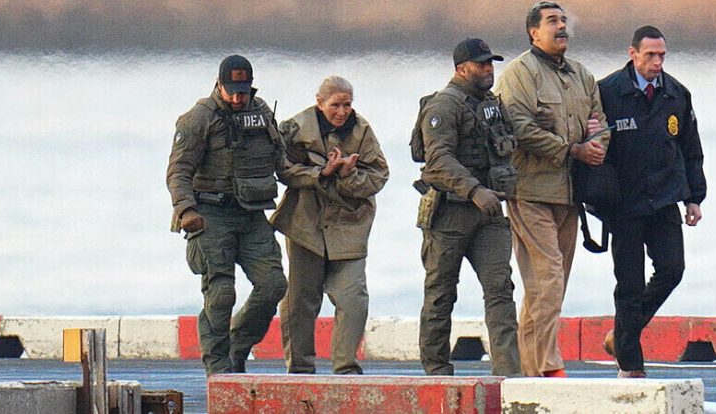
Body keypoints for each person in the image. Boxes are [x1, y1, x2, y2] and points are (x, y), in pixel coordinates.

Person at [494, 1, 609, 377]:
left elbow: (600, 122)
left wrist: (596, 146)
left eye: (563, 20)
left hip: (570, 194)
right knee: (548, 279)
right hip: (530, 191)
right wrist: (572, 149)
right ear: (533, 32)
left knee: (549, 286)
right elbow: (519, 126)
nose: (561, 27)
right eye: (552, 22)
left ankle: (530, 370)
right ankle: (548, 367)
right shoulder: (519, 73)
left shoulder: (581, 75)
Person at [166, 55, 288, 375]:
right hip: (211, 213)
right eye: (232, 91)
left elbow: (281, 160)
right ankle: (218, 369)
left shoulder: (260, 113)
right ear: (219, 85)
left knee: (273, 284)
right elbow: (178, 171)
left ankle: (239, 344)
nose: (237, 98)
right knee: (221, 293)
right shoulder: (198, 119)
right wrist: (185, 209)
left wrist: (317, 175)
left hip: (252, 213)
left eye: (243, 91)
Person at [598, 25, 706, 378]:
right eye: (650, 55)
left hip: (664, 199)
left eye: (662, 55)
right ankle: (631, 366)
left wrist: (694, 198)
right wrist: (597, 199)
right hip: (624, 205)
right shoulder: (607, 92)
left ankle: (622, 335)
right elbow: (595, 149)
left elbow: (690, 149)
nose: (657, 62)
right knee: (629, 285)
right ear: (633, 54)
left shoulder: (676, 94)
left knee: (672, 270)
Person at [417, 37, 521, 377]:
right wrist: (475, 190)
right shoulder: (444, 106)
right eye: (481, 64)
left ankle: (507, 375)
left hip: (489, 215)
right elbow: (438, 158)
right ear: (462, 69)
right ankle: (436, 372)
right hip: (450, 213)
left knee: (500, 289)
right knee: (441, 293)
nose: (489, 69)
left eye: (491, 63)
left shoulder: (491, 104)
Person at [271, 75, 389, 374]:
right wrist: (321, 173)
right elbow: (282, 170)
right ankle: (300, 368)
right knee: (300, 301)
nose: (342, 112)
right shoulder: (295, 128)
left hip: (349, 226)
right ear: (319, 103)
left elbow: (379, 176)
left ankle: (345, 367)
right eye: (335, 105)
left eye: (347, 104)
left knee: (353, 298)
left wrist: (348, 175)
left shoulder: (362, 131)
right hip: (305, 224)